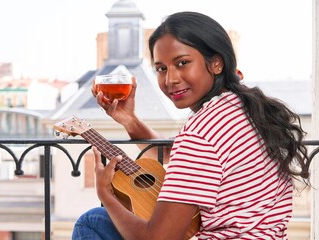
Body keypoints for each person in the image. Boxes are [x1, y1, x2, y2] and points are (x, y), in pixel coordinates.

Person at [72, 11, 311, 239]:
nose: (170, 79)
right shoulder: (242, 109)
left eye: (183, 62)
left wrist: (107, 195)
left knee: (93, 221)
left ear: (216, 63)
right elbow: (190, 161)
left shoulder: (202, 133)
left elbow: (159, 238)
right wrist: (130, 121)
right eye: (161, 69)